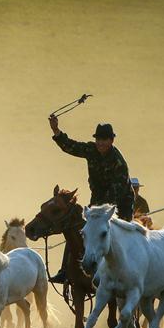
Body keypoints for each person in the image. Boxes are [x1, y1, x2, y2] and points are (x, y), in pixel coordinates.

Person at [47, 114, 135, 283]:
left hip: (120, 205)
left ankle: (126, 275)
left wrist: (99, 215)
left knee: (122, 236)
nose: (100, 143)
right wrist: (56, 130)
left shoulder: (118, 162)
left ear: (111, 141)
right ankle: (65, 270)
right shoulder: (91, 150)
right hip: (98, 201)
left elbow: (115, 193)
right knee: (77, 228)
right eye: (98, 139)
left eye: (104, 139)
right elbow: (70, 146)